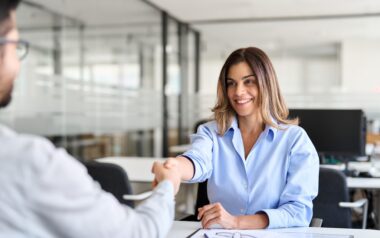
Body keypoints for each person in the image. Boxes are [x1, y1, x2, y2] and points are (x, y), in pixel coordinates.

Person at [0, 1, 181, 237]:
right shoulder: (27, 162)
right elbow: (139, 232)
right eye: (16, 46)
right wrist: (168, 186)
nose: (17, 62)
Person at [161, 47, 319, 229]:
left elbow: (298, 212)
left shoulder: (295, 140)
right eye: (231, 83)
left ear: (266, 84)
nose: (238, 92)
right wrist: (175, 168)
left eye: (248, 81)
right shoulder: (211, 132)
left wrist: (236, 222)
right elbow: (198, 159)